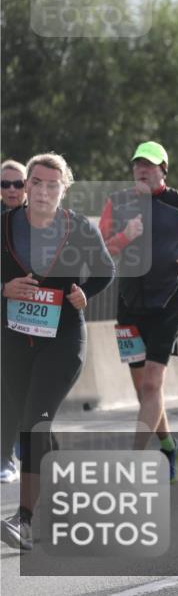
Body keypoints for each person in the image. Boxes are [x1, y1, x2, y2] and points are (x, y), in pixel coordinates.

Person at [1, 153, 116, 551]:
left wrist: (85, 293)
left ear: (63, 189)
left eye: (53, 185)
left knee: (35, 421)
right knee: (26, 422)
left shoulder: (78, 227)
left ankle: (24, 519)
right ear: (26, 186)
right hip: (14, 340)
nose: (43, 191)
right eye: (36, 183)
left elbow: (105, 271)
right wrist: (4, 289)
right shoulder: (5, 225)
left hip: (63, 340)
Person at [99, 141, 178, 481]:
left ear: (163, 170)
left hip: (169, 303)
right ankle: (168, 446)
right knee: (144, 391)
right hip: (128, 305)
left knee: (152, 385)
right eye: (138, 164)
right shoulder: (117, 203)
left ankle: (134, 463)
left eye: (149, 165)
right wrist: (125, 236)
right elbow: (100, 250)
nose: (142, 169)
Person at [0, 159, 29, 483]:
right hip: (3, 316)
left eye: (17, 184)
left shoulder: (42, 220)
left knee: (28, 384)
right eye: (4, 184)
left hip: (36, 319)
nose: (11, 189)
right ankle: (5, 453)